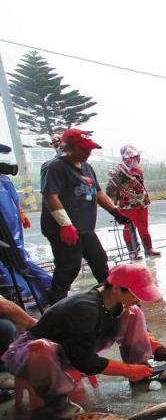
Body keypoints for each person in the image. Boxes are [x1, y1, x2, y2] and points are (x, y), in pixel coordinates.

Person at [0, 263, 166, 419]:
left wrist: (159, 350)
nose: (138, 299)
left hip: (75, 347)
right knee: (41, 349)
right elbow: (85, 362)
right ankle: (55, 402)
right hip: (35, 353)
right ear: (118, 288)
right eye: (136, 294)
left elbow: (139, 331)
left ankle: (141, 369)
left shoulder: (116, 300)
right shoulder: (84, 309)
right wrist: (127, 371)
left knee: (134, 313)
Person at [41, 129, 133, 303]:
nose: (87, 153)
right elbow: (50, 196)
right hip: (63, 229)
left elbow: (98, 193)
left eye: (89, 150)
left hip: (84, 228)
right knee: (69, 267)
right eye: (82, 150)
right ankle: (56, 302)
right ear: (68, 147)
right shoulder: (55, 167)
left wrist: (115, 211)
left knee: (99, 260)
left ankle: (110, 299)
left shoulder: (87, 167)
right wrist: (65, 225)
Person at [0, 144, 52, 305]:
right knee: (16, 258)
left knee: (15, 257)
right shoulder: (4, 181)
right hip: (9, 230)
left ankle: (29, 293)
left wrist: (19, 213)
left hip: (7, 232)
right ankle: (42, 289)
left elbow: (10, 212)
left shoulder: (4, 181)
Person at [106, 145, 160, 259]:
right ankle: (133, 252)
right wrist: (114, 201)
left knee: (144, 227)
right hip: (128, 206)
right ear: (131, 156)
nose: (139, 157)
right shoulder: (120, 170)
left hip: (142, 203)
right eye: (137, 155)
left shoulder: (137, 169)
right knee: (129, 228)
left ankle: (148, 249)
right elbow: (111, 188)